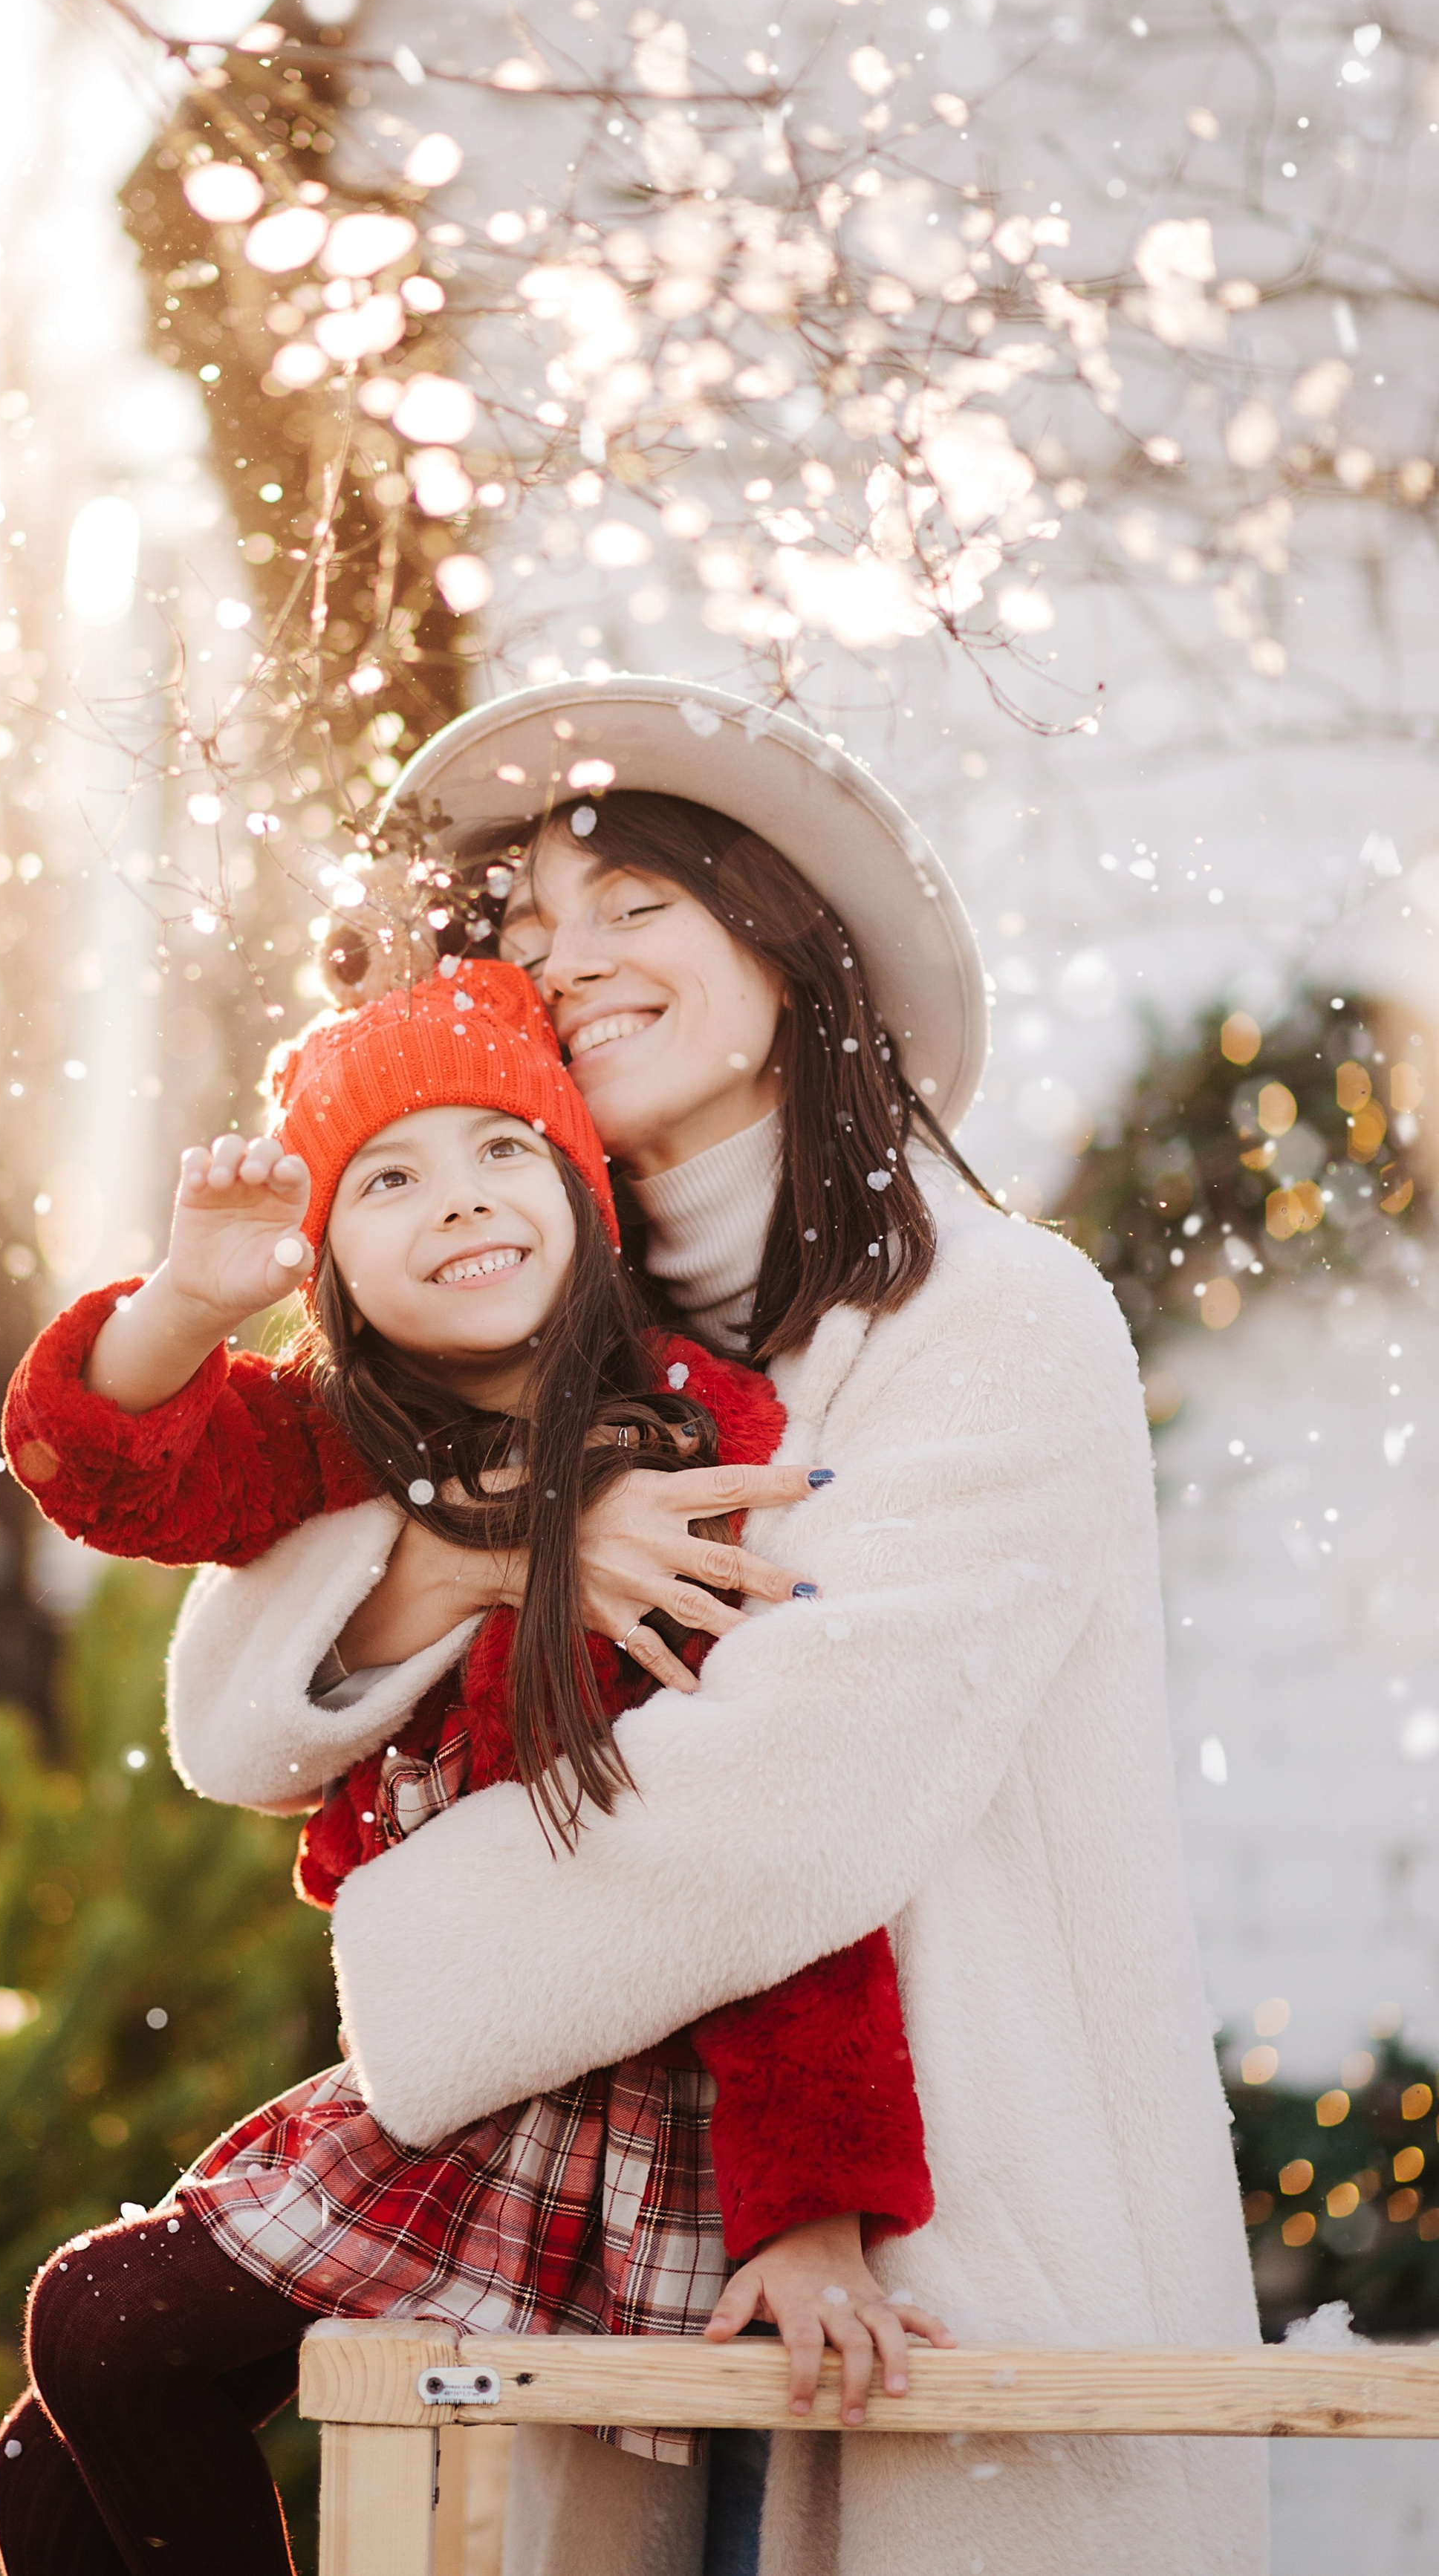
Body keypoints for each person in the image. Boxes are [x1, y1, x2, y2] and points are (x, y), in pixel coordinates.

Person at [164, 679, 1266, 2576]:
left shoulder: (993, 1319)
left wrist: (404, 1946)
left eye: (629, 903)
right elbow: (233, 1718)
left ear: (779, 935)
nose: (561, 957)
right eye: (521, 924)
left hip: (929, 2267)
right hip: (598, 2262)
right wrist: (503, 1554)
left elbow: (790, 1800)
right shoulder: (504, 1316)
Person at [0, 956, 946, 2576]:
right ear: (335, 1271)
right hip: (458, 2074)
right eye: (389, 1176)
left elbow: (767, 1842)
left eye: (504, 1149)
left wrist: (816, 2208)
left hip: (600, 2088)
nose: (459, 1200)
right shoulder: (343, 1439)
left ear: (580, 1190)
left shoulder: (683, 1445)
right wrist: (188, 1307)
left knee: (105, 2322)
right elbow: (108, 1476)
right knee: (47, 2458)